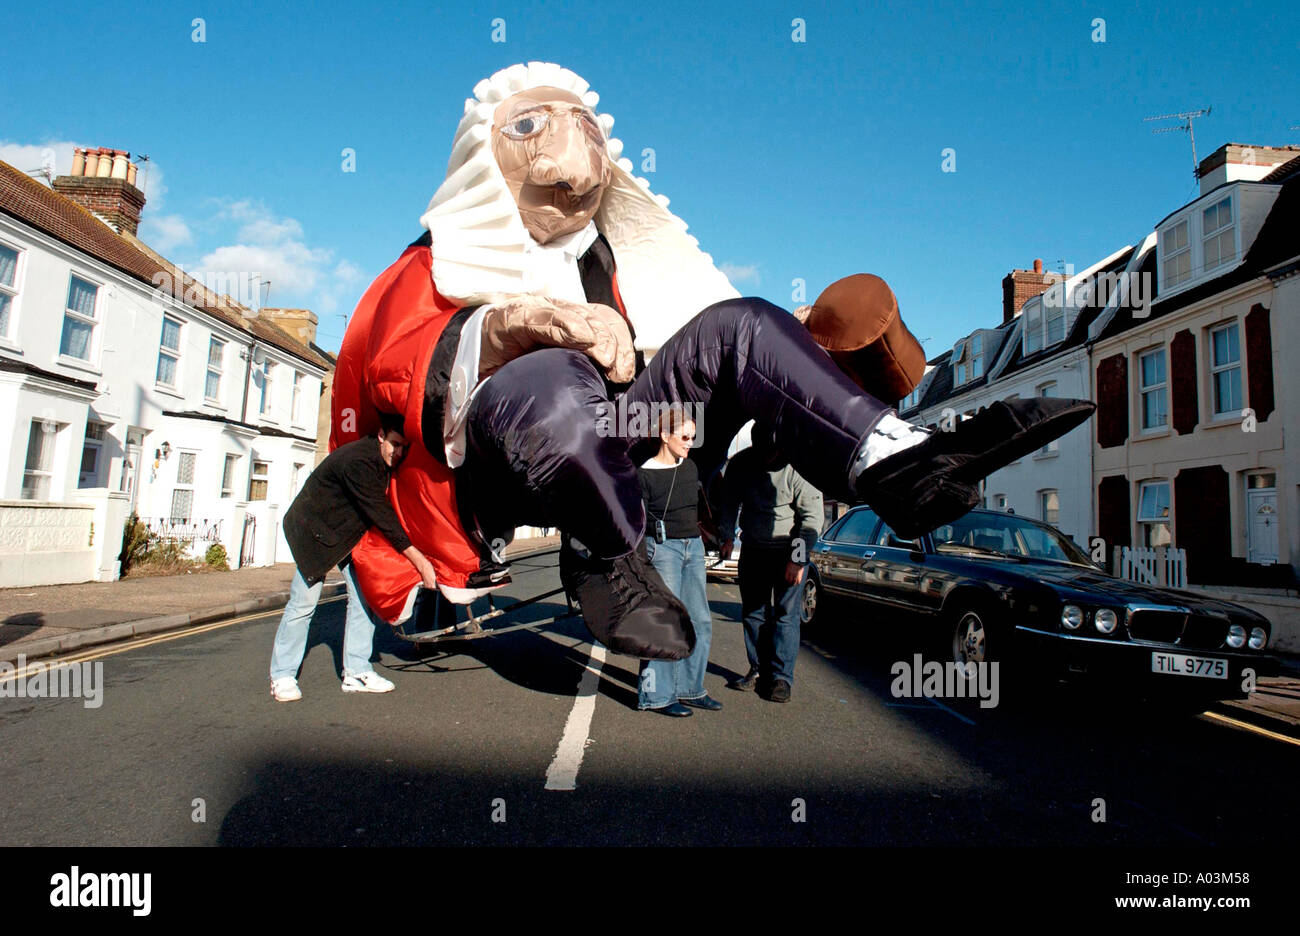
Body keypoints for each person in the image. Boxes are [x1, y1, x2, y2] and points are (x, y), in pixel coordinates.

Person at [268, 414, 438, 701]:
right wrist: (419, 561)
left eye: (403, 448)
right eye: (395, 444)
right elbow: (381, 515)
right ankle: (282, 675)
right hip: (313, 532)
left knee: (363, 600)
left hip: (346, 532)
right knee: (303, 604)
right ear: (381, 435)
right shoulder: (358, 461)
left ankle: (356, 672)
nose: (398, 453)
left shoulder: (382, 460)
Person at [718, 438, 824, 703]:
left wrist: (798, 560)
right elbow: (729, 502)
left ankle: (781, 678)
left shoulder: (799, 467)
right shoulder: (741, 464)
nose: (768, 459)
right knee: (754, 614)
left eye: (773, 452)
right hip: (754, 548)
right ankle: (758, 670)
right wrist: (727, 536)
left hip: (787, 550)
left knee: (786, 616)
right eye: (762, 452)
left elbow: (811, 519)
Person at [635, 405, 721, 717]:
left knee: (699, 620)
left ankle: (690, 689)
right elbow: (637, 522)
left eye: (693, 438)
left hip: (693, 547)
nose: (689, 442)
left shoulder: (691, 468)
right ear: (664, 435)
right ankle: (656, 696)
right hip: (662, 548)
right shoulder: (643, 475)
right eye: (684, 436)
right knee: (665, 621)